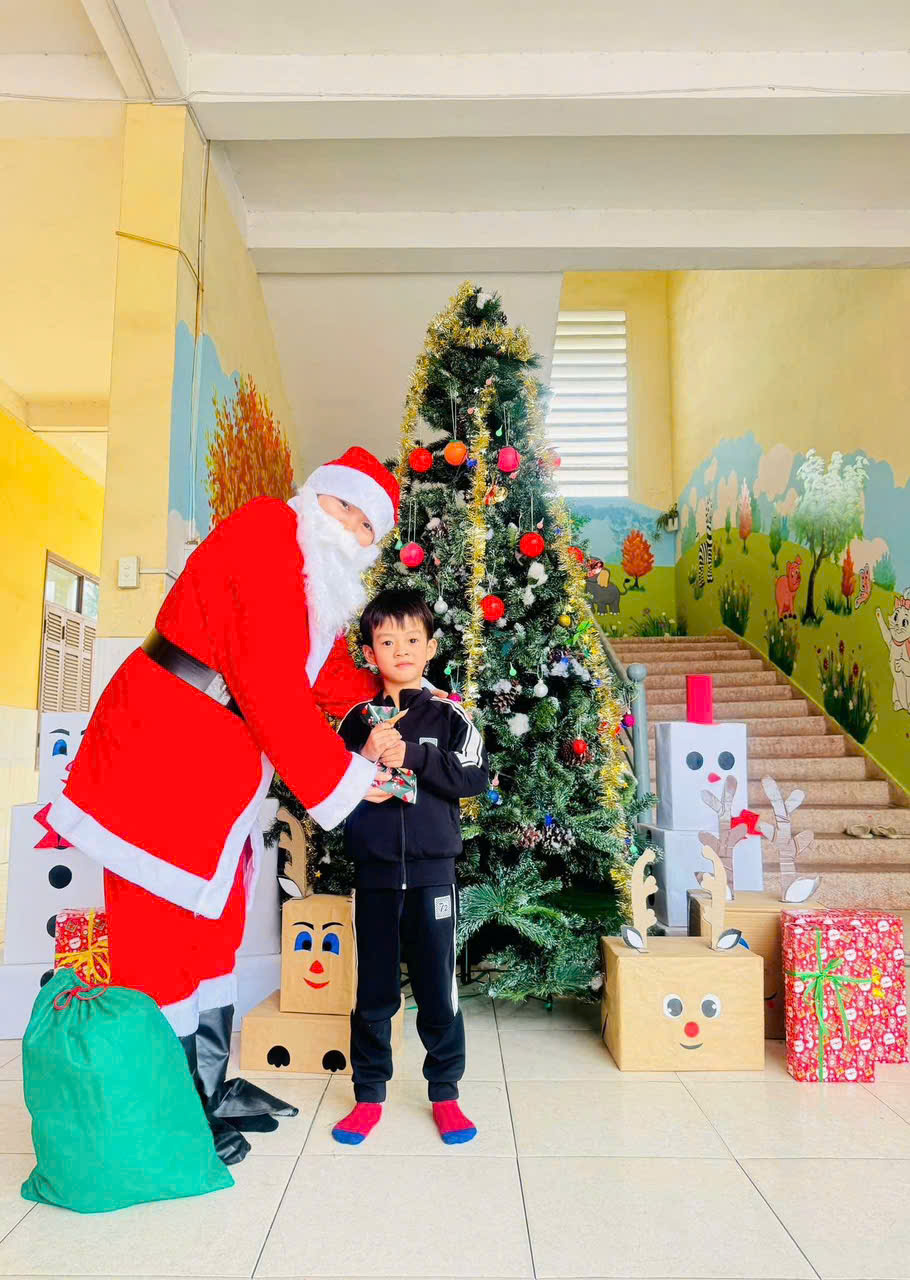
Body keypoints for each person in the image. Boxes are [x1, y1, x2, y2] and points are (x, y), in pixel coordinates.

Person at [48, 447, 403, 1164]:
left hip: (214, 777)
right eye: (344, 507)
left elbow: (325, 674)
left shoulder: (313, 580)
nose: (350, 529)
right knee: (155, 940)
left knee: (213, 932)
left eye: (368, 526)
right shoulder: (269, 530)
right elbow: (270, 681)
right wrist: (343, 775)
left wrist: (388, 704)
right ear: (315, 496)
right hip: (160, 760)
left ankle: (205, 1085)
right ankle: (162, 1112)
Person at [330, 588, 489, 1147]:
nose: (401, 650)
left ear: (430, 648)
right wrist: (365, 759)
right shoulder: (356, 720)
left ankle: (445, 1093)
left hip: (432, 875)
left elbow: (474, 776)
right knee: (374, 991)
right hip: (374, 876)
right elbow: (329, 785)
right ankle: (368, 1094)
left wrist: (416, 755)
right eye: (387, 641)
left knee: (437, 988)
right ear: (369, 653)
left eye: (412, 639)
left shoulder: (449, 715)